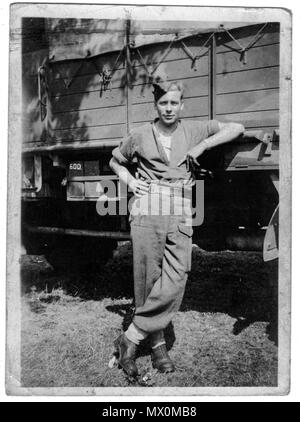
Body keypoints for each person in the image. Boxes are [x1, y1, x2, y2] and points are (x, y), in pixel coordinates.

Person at [109, 80, 244, 377]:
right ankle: (157, 343)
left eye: (173, 103)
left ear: (181, 105)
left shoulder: (193, 129)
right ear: (155, 106)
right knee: (147, 277)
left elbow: (237, 127)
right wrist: (131, 182)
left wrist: (204, 144)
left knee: (177, 273)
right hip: (149, 205)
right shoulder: (140, 135)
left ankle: (131, 335)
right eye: (163, 104)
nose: (168, 109)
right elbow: (116, 161)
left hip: (182, 206)